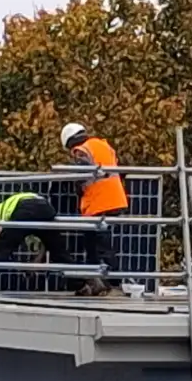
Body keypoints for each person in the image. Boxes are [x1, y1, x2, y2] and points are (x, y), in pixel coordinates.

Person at [0, 191, 106, 300]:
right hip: (46, 209)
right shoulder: (18, 201)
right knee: (60, 253)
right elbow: (45, 244)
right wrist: (35, 263)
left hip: (25, 211)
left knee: (1, 249)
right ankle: (81, 284)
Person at [60, 122, 128, 296]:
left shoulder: (81, 149)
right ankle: (98, 283)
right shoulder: (103, 145)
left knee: (100, 246)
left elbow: (83, 174)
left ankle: (114, 285)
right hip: (114, 199)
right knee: (92, 244)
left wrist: (76, 186)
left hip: (99, 203)